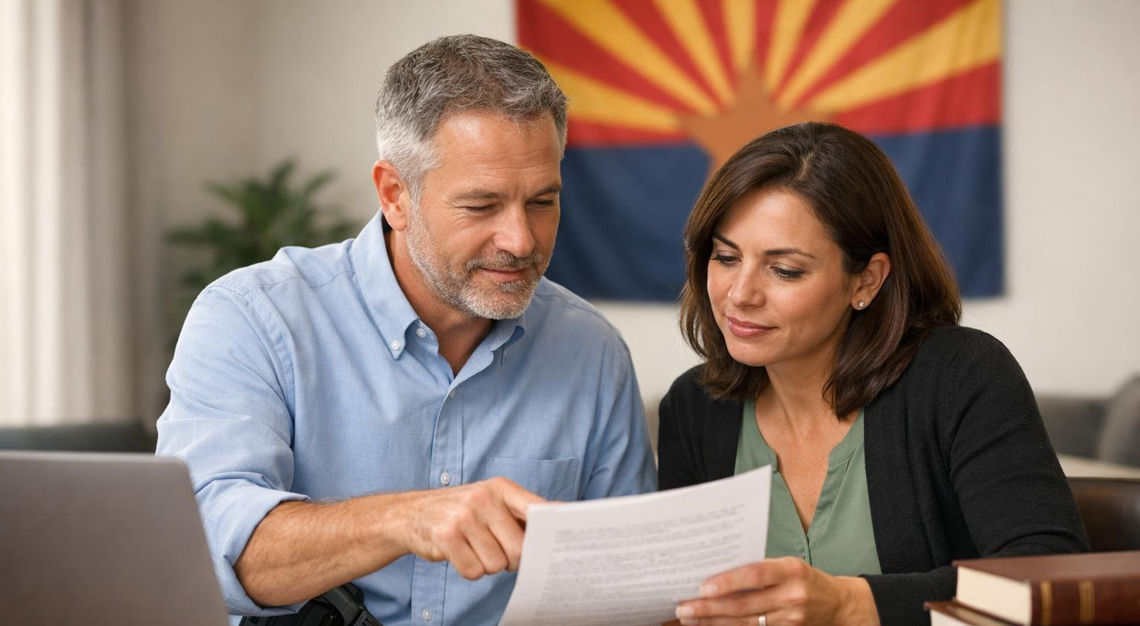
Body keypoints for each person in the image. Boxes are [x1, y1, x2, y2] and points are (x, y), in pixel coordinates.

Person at [156, 34, 656, 626]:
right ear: (396, 195)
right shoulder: (253, 318)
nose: (521, 241)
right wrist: (407, 519)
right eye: (481, 206)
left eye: (542, 202)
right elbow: (207, 549)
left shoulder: (591, 350)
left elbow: (626, 591)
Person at [657, 122, 1088, 626]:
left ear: (866, 280)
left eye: (785, 270)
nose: (740, 294)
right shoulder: (694, 407)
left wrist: (849, 605)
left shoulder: (962, 376)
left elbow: (1049, 575)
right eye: (726, 257)